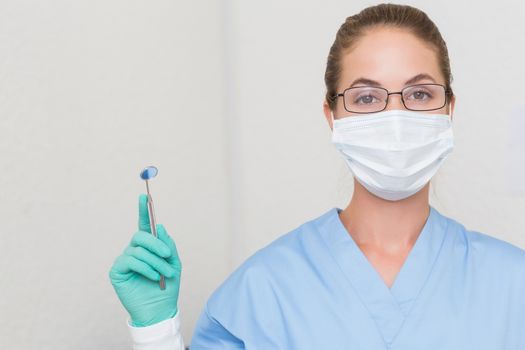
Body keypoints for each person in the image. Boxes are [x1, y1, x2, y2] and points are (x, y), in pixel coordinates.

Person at [109, 3, 525, 349]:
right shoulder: (263, 293)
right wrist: (157, 332)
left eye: (419, 94)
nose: (395, 116)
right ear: (332, 116)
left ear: (448, 108)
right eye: (366, 97)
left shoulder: (512, 287)